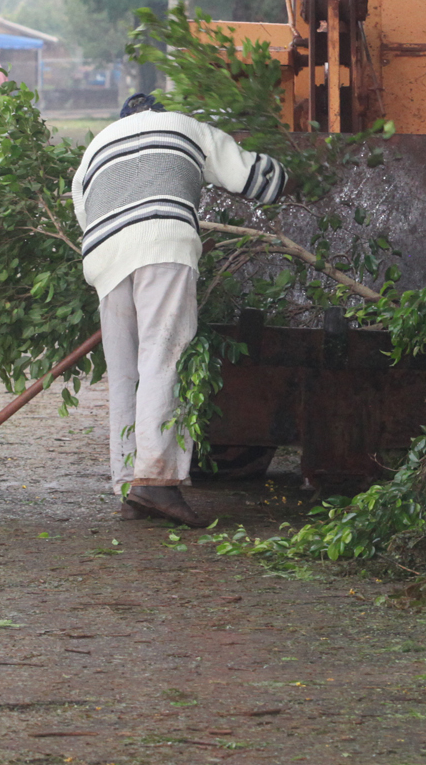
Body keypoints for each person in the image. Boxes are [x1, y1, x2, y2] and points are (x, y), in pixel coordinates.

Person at [71, 92, 289, 527]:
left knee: (126, 372)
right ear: (157, 112)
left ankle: (130, 483)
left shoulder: (95, 147)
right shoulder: (185, 126)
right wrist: (301, 174)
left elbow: (86, 212)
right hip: (162, 243)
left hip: (103, 258)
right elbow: (260, 181)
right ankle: (157, 482)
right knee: (163, 357)